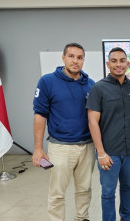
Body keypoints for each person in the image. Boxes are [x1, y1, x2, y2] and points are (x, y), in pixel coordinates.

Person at [32, 43, 95, 221]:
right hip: (60, 147)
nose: (75, 61)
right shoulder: (47, 81)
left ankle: (82, 218)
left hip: (87, 147)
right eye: (71, 56)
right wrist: (38, 148)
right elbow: (39, 115)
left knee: (84, 189)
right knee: (57, 193)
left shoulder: (90, 84)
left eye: (80, 57)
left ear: (83, 60)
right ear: (63, 58)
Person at [86, 47, 130, 221]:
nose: (118, 64)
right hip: (109, 153)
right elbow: (92, 121)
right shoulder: (99, 88)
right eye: (114, 61)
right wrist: (101, 153)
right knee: (108, 192)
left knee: (128, 187)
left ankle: (126, 216)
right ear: (108, 64)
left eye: (122, 60)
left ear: (127, 64)